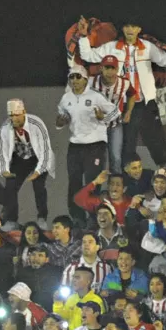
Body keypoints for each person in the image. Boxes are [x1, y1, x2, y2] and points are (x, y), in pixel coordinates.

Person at [74, 16, 166, 167]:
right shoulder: (112, 47)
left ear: (139, 30)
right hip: (125, 103)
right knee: (127, 143)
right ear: (123, 29)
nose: (130, 30)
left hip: (146, 102)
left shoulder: (147, 47)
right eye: (127, 26)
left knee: (156, 138)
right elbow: (89, 56)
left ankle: (163, 171)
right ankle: (126, 177)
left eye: (134, 27)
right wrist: (83, 36)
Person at [56, 65, 113, 222]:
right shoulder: (66, 98)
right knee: (74, 181)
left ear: (85, 79)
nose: (74, 80)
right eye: (71, 77)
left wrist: (103, 118)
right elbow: (60, 121)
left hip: (95, 145)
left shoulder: (96, 96)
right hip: (75, 145)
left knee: (92, 181)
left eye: (77, 77)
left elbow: (115, 112)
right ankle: (77, 218)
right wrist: (61, 122)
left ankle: (94, 217)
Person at [0, 99, 53, 223]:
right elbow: (2, 150)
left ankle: (42, 217)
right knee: (10, 185)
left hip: (38, 156)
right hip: (20, 157)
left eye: (17, 115)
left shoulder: (37, 124)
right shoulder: (6, 128)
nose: (14, 118)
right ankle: (11, 220)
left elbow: (45, 150)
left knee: (38, 185)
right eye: (11, 115)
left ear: (24, 112)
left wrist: (38, 171)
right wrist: (4, 169)